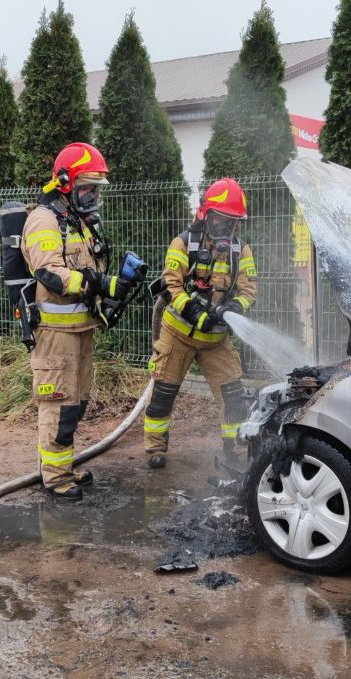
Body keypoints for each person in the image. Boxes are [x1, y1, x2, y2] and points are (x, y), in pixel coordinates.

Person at [22, 141, 133, 501]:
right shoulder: (44, 220)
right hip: (55, 334)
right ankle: (55, 476)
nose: (92, 195)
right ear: (66, 184)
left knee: (77, 403)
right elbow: (49, 272)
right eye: (87, 188)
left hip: (81, 328)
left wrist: (109, 288)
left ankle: (63, 465)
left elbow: (90, 266)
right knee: (59, 403)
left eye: (96, 189)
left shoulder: (77, 222)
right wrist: (98, 283)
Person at [143, 177, 257, 469]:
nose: (225, 227)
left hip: (216, 340)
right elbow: (171, 286)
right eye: (220, 219)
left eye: (231, 221)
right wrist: (194, 313)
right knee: (163, 393)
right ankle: (155, 448)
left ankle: (234, 448)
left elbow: (248, 291)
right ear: (206, 214)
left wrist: (235, 307)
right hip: (177, 334)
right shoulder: (184, 243)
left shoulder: (241, 251)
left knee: (233, 396)